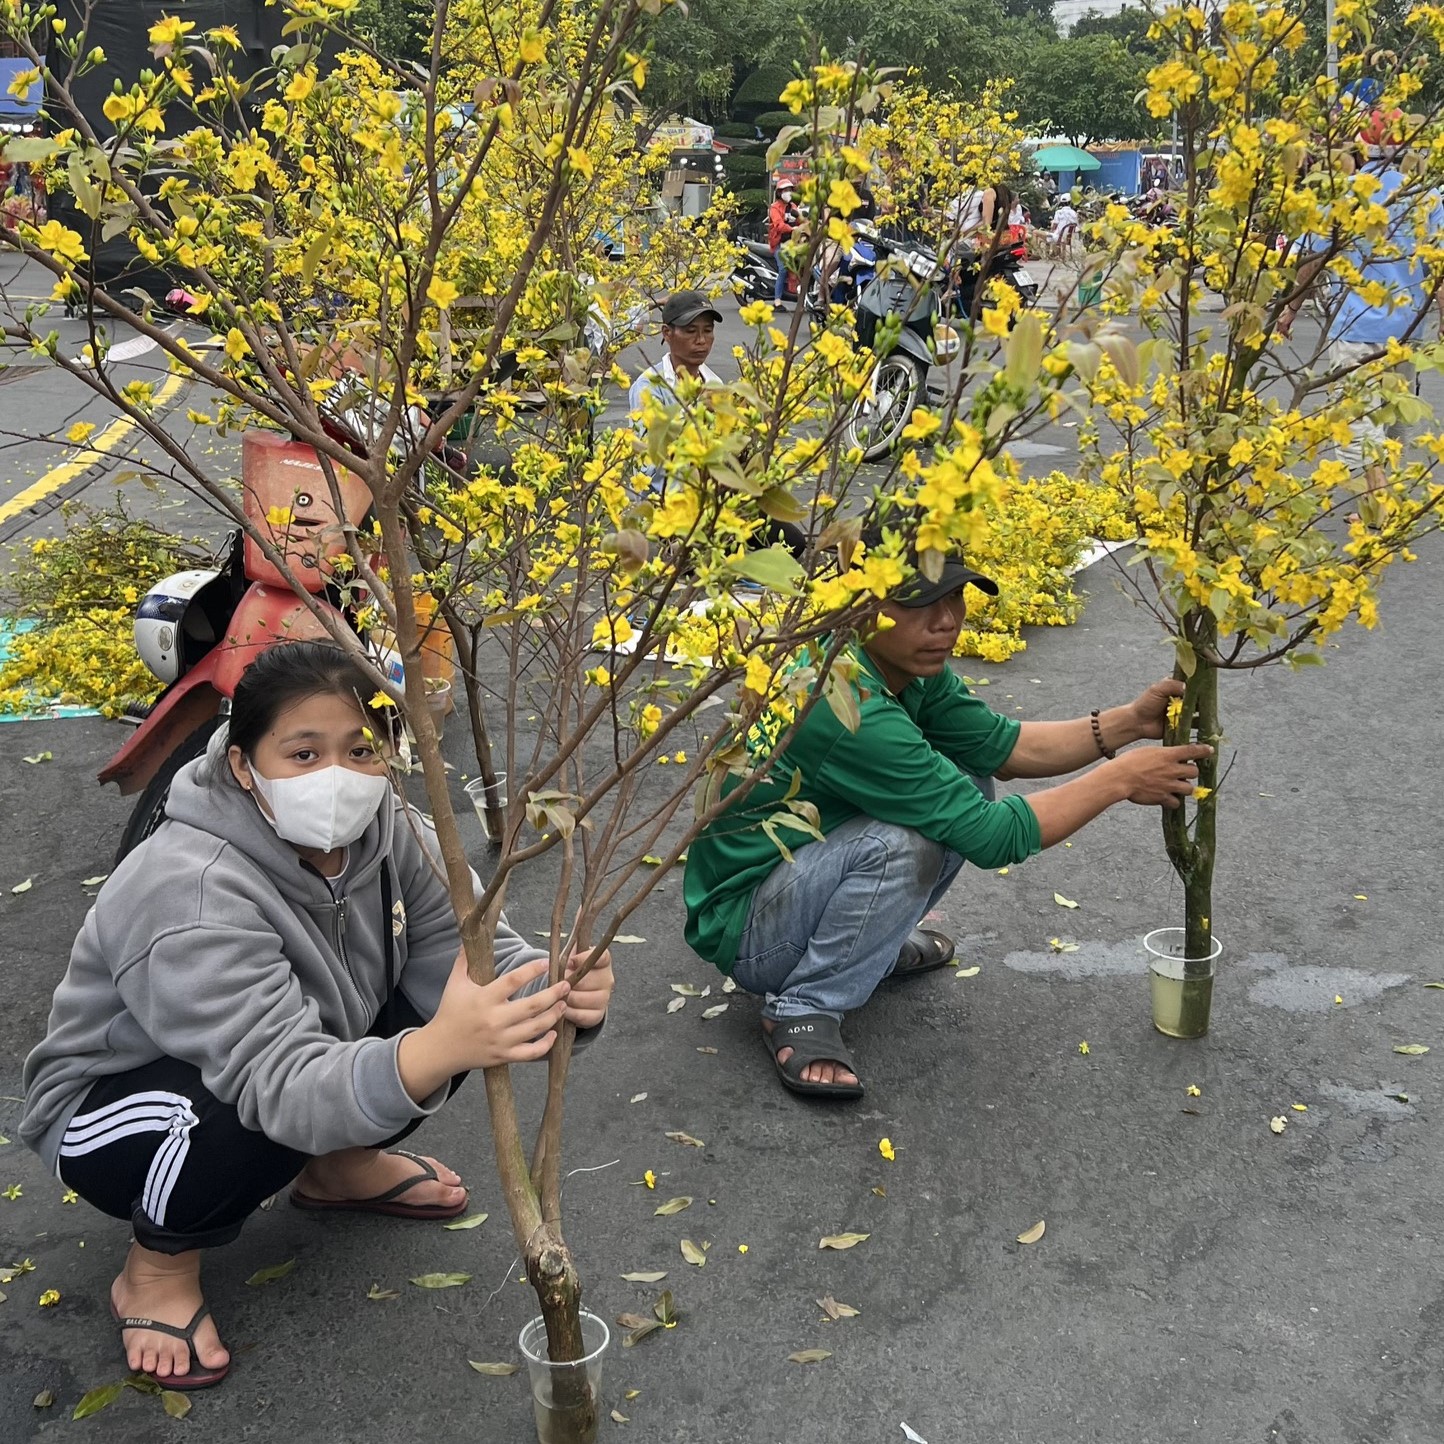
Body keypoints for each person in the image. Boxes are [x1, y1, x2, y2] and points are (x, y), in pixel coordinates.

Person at [20, 641, 615, 1389]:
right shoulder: (190, 887)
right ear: (244, 764)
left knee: (457, 1014)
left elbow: (471, 959)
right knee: (251, 1109)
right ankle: (156, 1267)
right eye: (302, 754)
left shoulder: (391, 828)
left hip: (297, 1061)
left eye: (361, 748)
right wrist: (439, 1047)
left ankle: (338, 1169)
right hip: (124, 1107)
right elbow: (277, 1079)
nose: (336, 777)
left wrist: (559, 998)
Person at [682, 533, 1211, 1100]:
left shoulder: (889, 661)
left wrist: (1129, 722)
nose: (946, 622)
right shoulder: (844, 705)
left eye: (954, 597)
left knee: (962, 780)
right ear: (862, 604)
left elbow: (1002, 748)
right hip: (746, 927)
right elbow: (992, 836)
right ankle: (805, 1005)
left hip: (794, 875)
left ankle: (865, 951)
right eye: (918, 604)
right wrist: (1121, 779)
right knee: (910, 840)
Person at [1282, 144, 1444, 501]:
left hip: (1355, 330)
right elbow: (1440, 266)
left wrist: (1290, 309)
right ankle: (1389, 503)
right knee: (1392, 419)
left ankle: (1377, 509)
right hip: (1406, 333)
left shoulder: (1343, 194)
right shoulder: (1426, 195)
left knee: (1360, 424)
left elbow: (1311, 262)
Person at [627, 289, 724, 417]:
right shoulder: (648, 387)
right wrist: (699, 410)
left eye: (707, 330)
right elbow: (651, 436)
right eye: (691, 331)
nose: (701, 340)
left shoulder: (714, 383)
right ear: (667, 333)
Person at [768, 183, 800, 305]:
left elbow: (801, 220)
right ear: (779, 193)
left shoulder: (793, 207)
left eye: (790, 190)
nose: (788, 193)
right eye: (785, 190)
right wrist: (792, 229)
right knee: (783, 269)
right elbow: (779, 225)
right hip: (779, 244)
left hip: (793, 244)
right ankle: (777, 300)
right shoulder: (775, 208)